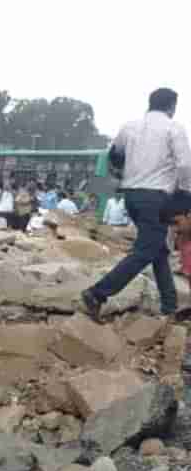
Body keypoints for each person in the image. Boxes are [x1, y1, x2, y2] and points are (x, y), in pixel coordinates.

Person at [81, 88, 191, 321]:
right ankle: (97, 293)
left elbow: (115, 154)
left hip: (131, 196)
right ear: (172, 106)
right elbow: (185, 165)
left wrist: (128, 170)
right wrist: (185, 193)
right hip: (157, 198)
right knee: (145, 251)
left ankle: (169, 306)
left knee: (158, 249)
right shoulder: (174, 128)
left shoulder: (129, 126)